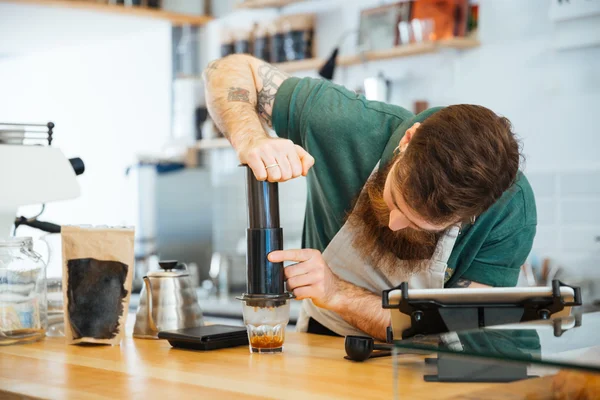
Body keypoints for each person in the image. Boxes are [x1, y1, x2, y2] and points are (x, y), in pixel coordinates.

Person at [203, 54, 537, 340]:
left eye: (421, 225)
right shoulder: (345, 124)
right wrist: (252, 140)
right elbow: (228, 70)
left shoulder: (509, 213)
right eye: (396, 200)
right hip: (323, 344)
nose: (394, 223)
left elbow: (457, 331)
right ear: (407, 140)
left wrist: (338, 293)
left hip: (427, 364)